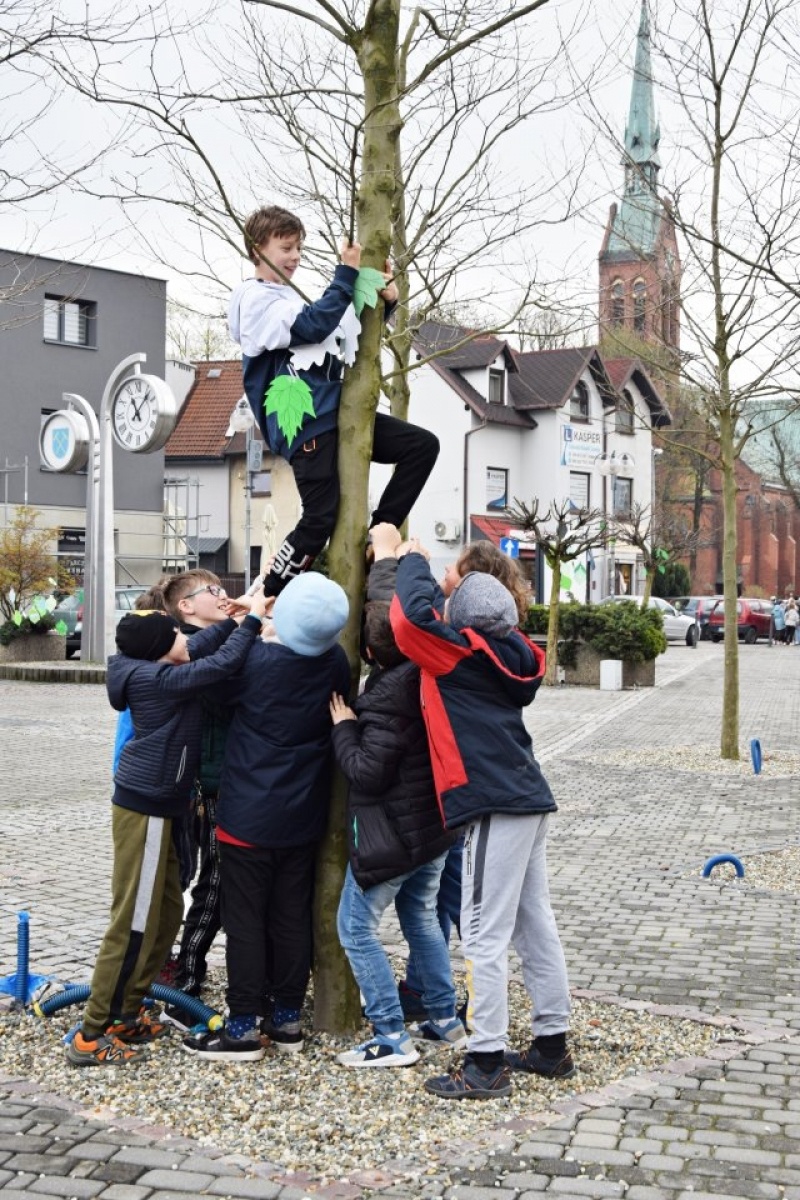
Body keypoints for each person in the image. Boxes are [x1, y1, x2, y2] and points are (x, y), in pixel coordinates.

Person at [390, 543, 574, 1099]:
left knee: (482, 933)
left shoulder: (459, 654)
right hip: (526, 797)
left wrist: (406, 558)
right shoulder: (510, 651)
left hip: (495, 803)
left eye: (454, 577)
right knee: (532, 923)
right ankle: (550, 1045)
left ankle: (485, 1061)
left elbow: (406, 621)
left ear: (466, 606)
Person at [66, 599, 267, 1067]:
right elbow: (219, 663)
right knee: (134, 921)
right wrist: (252, 622)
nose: (186, 639)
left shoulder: (153, 665)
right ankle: (93, 1032)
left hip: (165, 805)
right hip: (146, 809)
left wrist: (236, 619)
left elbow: (200, 645)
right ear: (161, 651)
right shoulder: (157, 681)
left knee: (167, 910)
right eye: (176, 637)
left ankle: (128, 1010)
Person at [228, 204, 439, 597]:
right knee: (321, 516)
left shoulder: (288, 299)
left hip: (339, 416)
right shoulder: (253, 300)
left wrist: (383, 299)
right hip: (306, 423)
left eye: (298, 249)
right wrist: (345, 274)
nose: (294, 257)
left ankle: (381, 533)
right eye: (286, 247)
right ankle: (267, 591)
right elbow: (315, 324)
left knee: (422, 446)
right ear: (258, 249)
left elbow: (340, 331)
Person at [183, 570, 351, 1062]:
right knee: (290, 916)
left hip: (247, 814)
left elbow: (209, 677)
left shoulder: (256, 660)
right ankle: (286, 1018)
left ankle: (240, 1024)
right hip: (302, 814)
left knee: (246, 920)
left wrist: (251, 621)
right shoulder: (336, 663)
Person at [330, 597, 463, 1068]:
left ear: (367, 652)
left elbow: (368, 773)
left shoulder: (387, 702)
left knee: (354, 926)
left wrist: (344, 728)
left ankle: (389, 1033)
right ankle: (445, 1018)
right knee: (421, 917)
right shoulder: (428, 678)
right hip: (434, 832)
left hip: (396, 838)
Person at [157, 570, 234, 1026]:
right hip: (207, 783)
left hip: (217, 778)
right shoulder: (186, 650)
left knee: (207, 879)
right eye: (214, 592)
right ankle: (184, 983)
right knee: (212, 881)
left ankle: (183, 975)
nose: (224, 597)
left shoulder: (210, 642)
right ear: (185, 607)